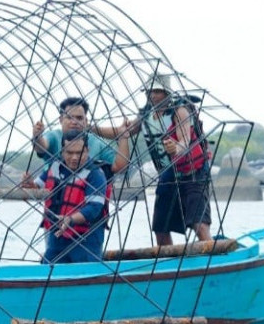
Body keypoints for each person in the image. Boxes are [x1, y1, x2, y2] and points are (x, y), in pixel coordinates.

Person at [136, 75, 212, 246]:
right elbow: (123, 131)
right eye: (149, 91)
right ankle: (167, 265)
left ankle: (213, 259)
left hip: (193, 171)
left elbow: (184, 140)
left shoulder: (180, 110)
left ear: (166, 93)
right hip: (168, 175)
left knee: (199, 224)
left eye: (157, 91)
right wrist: (91, 128)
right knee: (160, 228)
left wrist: (175, 148)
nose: (152, 95)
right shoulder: (145, 115)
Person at [25, 129, 108, 264]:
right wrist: (29, 184)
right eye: (69, 153)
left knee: (84, 275)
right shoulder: (55, 167)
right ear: (62, 151)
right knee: (48, 269)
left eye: (79, 153)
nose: (74, 157)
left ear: (87, 150)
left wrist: (70, 219)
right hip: (57, 238)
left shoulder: (95, 174)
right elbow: (37, 188)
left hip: (86, 241)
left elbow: (94, 208)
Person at [31, 97, 130, 178]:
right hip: (57, 196)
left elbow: (120, 167)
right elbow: (41, 146)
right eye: (69, 117)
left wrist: (124, 137)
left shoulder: (96, 141)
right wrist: (37, 135)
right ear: (61, 120)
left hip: (89, 194)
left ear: (85, 121)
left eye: (79, 118)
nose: (74, 122)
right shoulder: (54, 136)